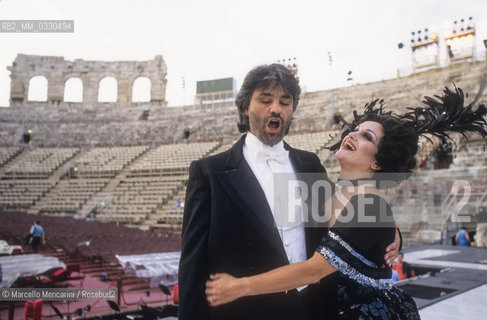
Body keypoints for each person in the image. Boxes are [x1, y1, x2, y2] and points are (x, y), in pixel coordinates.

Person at [205, 86, 487, 319]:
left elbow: (313, 270)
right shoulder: (328, 191)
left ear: (378, 161)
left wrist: (239, 286)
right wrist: (395, 236)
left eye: (367, 136)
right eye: (355, 128)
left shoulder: (371, 204)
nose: (352, 134)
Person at [178, 64, 401, 320]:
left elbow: (349, 214)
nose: (276, 108)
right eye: (265, 100)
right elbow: (191, 267)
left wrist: (394, 233)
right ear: (244, 107)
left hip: (310, 308)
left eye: (285, 102)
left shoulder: (309, 164)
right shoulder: (210, 172)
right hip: (244, 312)